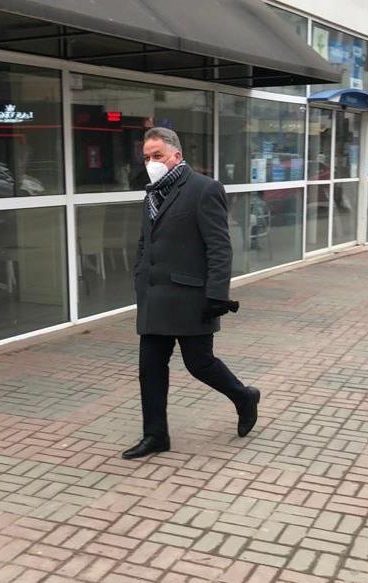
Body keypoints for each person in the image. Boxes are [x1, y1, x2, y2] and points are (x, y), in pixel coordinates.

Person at [123, 127, 260, 460]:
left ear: (177, 155)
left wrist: (216, 295)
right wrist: (140, 275)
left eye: (157, 156)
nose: (151, 163)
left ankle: (244, 397)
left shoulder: (204, 189)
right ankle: (155, 435)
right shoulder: (151, 193)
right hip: (155, 298)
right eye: (146, 157)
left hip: (190, 297)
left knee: (200, 364)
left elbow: (219, 247)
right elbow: (146, 240)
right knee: (149, 369)